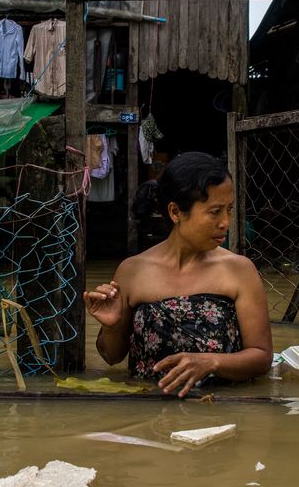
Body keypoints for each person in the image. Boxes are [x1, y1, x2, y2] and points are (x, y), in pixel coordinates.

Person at [83, 151, 273, 397]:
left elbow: (261, 357)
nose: (226, 222)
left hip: (219, 410)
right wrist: (111, 327)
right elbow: (111, 357)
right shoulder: (132, 271)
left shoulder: (240, 270)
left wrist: (211, 362)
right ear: (175, 212)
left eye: (229, 209)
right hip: (147, 410)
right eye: (215, 211)